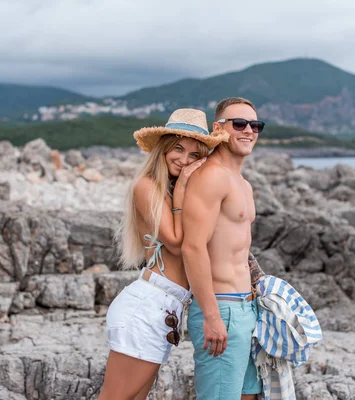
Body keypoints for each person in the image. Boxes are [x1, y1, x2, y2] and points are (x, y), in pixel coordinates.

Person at [99, 108, 228, 400]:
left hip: (167, 309)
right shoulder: (146, 187)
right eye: (178, 149)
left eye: (194, 155)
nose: (184, 160)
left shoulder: (173, 194)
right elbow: (175, 242)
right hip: (146, 306)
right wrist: (184, 184)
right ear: (163, 149)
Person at [182, 97, 266, 399]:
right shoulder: (211, 177)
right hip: (222, 308)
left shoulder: (242, 184)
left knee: (249, 395)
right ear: (219, 128)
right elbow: (192, 247)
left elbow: (240, 249)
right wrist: (212, 316)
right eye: (239, 124)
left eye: (255, 125)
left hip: (247, 307)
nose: (249, 130)